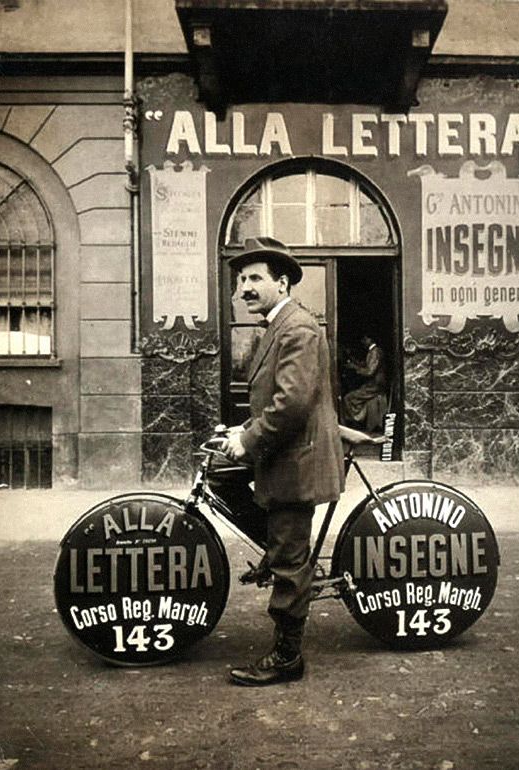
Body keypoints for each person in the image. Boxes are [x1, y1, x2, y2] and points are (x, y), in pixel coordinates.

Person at [220, 236, 345, 686]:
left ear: (283, 281)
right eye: (241, 280)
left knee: (292, 559)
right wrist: (242, 433)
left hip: (297, 460)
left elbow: (290, 403)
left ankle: (288, 657)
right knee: (222, 479)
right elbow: (275, 397)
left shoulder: (296, 327)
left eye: (255, 278)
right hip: (287, 452)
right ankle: (275, 553)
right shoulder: (279, 324)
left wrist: (249, 440)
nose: (244, 288)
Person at [342, 334, 387, 432]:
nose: (362, 342)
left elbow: (369, 372)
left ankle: (355, 424)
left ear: (369, 339)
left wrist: (355, 368)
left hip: (375, 386)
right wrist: (354, 362)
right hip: (373, 385)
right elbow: (365, 365)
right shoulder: (372, 352)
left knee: (348, 398)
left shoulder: (375, 352)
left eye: (364, 339)